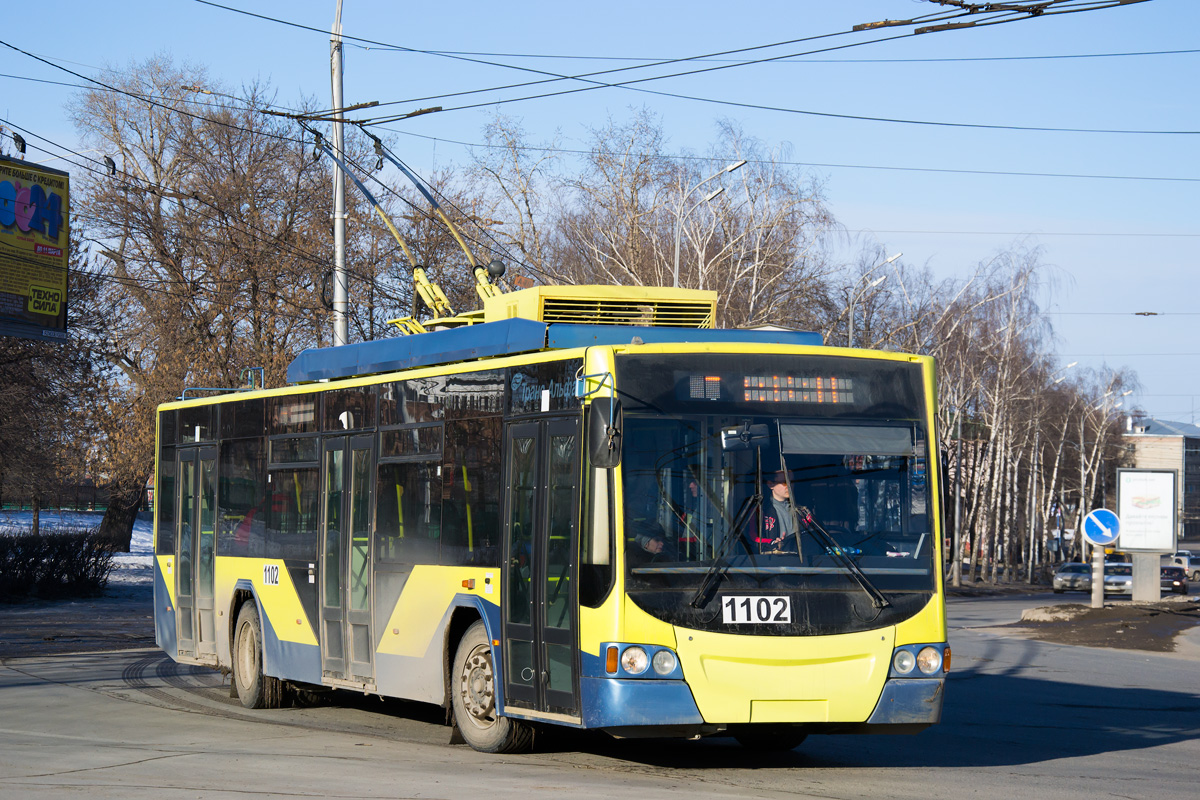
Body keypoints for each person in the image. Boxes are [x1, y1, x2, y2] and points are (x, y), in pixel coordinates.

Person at [758, 470, 801, 554]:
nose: (789, 486)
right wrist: (773, 543)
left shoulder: (802, 510)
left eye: (791, 482)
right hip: (773, 559)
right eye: (784, 482)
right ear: (770, 484)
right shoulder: (761, 510)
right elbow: (752, 538)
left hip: (800, 558)